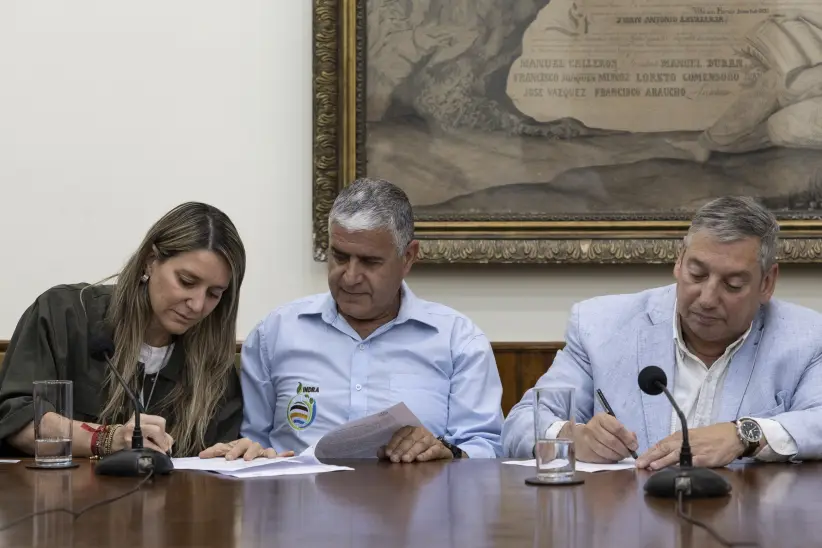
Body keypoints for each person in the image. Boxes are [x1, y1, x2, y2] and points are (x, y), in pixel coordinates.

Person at [502, 196, 822, 469]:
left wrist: (746, 434)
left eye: (732, 284)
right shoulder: (600, 326)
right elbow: (521, 423)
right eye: (697, 274)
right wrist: (571, 437)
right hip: (628, 516)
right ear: (679, 262)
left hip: (746, 518)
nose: (707, 298)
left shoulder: (806, 338)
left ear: (767, 282)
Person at [240, 177, 504, 461]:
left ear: (408, 257)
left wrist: (448, 452)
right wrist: (248, 453)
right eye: (340, 257)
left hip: (414, 491)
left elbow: (488, 448)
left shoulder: (459, 342)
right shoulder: (274, 334)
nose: (350, 277)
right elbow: (250, 443)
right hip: (299, 490)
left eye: (369, 262)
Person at [0, 202, 287, 461]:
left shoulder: (214, 366)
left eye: (214, 294)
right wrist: (107, 439)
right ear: (150, 260)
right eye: (186, 282)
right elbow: (16, 421)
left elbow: (215, 453)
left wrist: (237, 454)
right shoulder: (64, 314)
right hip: (62, 499)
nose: (198, 305)